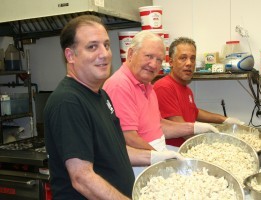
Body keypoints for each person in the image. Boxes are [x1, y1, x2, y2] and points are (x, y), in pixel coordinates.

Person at [44, 15, 183, 200]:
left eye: (106, 45)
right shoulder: (68, 101)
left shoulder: (101, 96)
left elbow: (116, 149)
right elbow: (82, 177)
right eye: (92, 47)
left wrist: (157, 157)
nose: (104, 54)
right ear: (70, 55)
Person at [103, 30, 218, 153]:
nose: (153, 64)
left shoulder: (147, 85)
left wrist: (194, 128)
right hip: (139, 165)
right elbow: (129, 138)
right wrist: (160, 159)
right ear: (131, 54)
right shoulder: (120, 85)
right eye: (149, 56)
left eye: (159, 60)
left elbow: (159, 125)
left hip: (154, 154)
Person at [153, 37, 245, 146]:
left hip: (187, 148)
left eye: (192, 58)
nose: (189, 63)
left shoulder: (186, 89)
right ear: (171, 62)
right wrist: (213, 146)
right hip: (174, 151)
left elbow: (194, 112)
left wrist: (225, 120)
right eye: (183, 58)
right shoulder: (164, 87)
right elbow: (182, 128)